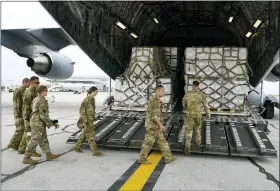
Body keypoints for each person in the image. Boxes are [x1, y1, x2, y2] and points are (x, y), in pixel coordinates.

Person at [138, 85, 176, 164]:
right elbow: (154, 116)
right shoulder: (154, 101)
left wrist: (160, 124)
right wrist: (161, 126)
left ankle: (168, 157)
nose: (163, 92)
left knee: (162, 141)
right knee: (148, 143)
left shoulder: (158, 100)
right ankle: (142, 159)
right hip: (152, 127)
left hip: (156, 126)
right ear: (158, 91)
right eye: (162, 91)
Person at [23, 85, 60, 164]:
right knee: (34, 140)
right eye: (45, 90)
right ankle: (26, 157)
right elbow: (43, 114)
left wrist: (49, 122)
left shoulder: (36, 99)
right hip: (38, 123)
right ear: (41, 91)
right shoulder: (41, 100)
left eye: (46, 90)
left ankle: (48, 154)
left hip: (37, 122)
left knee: (43, 139)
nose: (47, 91)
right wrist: (50, 124)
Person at [182, 80, 211, 154]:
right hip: (198, 114)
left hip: (189, 114)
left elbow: (183, 103)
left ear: (192, 85)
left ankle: (188, 145)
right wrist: (208, 113)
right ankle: (198, 142)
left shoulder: (187, 94)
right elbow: (205, 104)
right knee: (198, 128)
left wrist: (186, 108)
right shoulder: (201, 94)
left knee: (189, 130)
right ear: (198, 86)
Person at [74, 86, 103, 156]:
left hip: (90, 120)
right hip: (87, 121)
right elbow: (81, 110)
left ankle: (77, 147)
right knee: (91, 135)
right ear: (92, 91)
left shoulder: (92, 99)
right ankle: (94, 151)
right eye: (96, 92)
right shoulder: (87, 99)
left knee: (85, 134)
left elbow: (92, 110)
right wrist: (85, 119)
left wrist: (93, 116)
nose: (96, 94)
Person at [18, 76, 41, 157]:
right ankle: (31, 151)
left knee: (27, 132)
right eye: (37, 83)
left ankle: (21, 149)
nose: (38, 84)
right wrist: (27, 118)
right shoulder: (29, 92)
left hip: (32, 115)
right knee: (29, 134)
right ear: (31, 83)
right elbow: (26, 107)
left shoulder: (35, 91)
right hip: (28, 116)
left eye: (39, 83)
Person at [7, 78, 30, 150]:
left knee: (22, 129)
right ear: (25, 82)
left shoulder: (24, 90)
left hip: (22, 113)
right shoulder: (18, 90)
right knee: (20, 129)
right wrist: (18, 114)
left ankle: (16, 144)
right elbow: (17, 103)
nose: (29, 85)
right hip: (19, 113)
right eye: (28, 83)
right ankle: (12, 143)